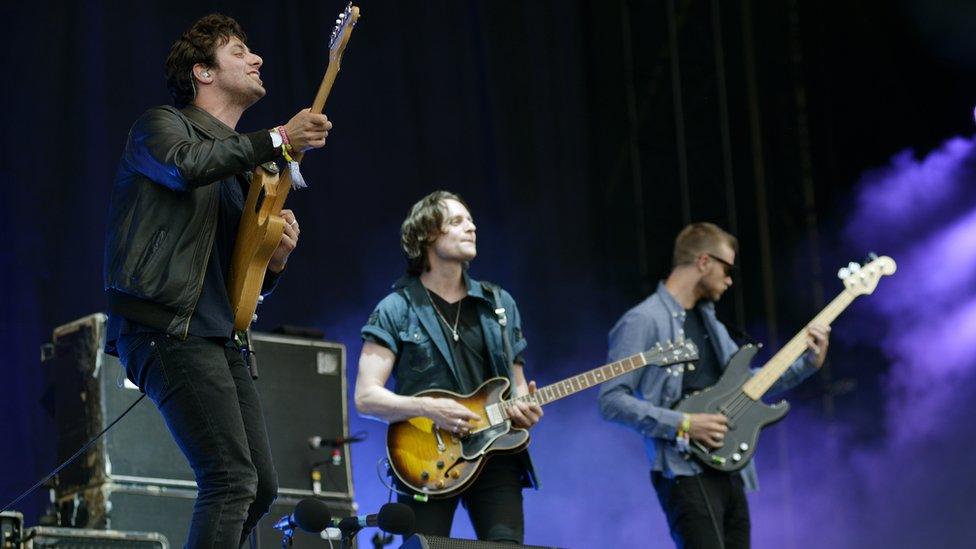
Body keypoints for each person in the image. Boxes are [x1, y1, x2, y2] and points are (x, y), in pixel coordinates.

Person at [102, 14, 332, 548]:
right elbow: (186, 166)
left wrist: (271, 262)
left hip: (219, 334)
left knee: (260, 487)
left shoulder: (241, 169)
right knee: (231, 478)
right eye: (238, 51)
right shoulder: (159, 126)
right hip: (164, 326)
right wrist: (278, 137)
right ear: (203, 72)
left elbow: (236, 277)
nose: (256, 59)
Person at [598, 222, 830, 549]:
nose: (730, 279)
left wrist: (807, 363)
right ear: (704, 262)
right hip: (682, 470)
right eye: (727, 268)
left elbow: (750, 386)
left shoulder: (711, 322)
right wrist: (686, 424)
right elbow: (611, 401)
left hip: (730, 467)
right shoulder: (642, 320)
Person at [354, 191, 542, 543]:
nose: (471, 228)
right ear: (426, 235)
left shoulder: (499, 304)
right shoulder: (396, 308)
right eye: (457, 221)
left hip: (496, 456)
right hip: (426, 455)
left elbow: (516, 386)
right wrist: (428, 408)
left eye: (471, 221)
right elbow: (366, 397)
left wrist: (523, 408)